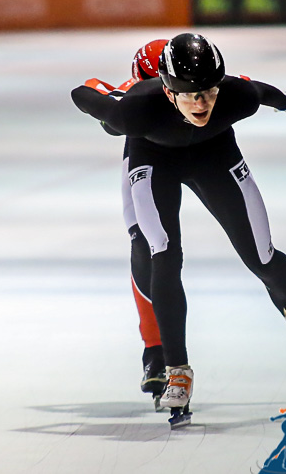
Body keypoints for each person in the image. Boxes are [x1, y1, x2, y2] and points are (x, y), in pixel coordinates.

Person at [72, 33, 286, 414]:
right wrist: (105, 97)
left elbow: (261, 91)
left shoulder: (235, 96)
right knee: (162, 253)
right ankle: (175, 368)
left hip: (214, 152)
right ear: (166, 90)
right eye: (190, 94)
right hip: (154, 157)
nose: (202, 102)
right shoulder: (134, 110)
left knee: (262, 256)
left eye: (208, 91)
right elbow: (83, 94)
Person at [82, 39, 170, 408]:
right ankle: (155, 349)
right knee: (144, 242)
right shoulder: (136, 91)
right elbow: (93, 87)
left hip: (196, 157)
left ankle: (154, 347)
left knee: (145, 243)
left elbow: (91, 86)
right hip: (147, 159)